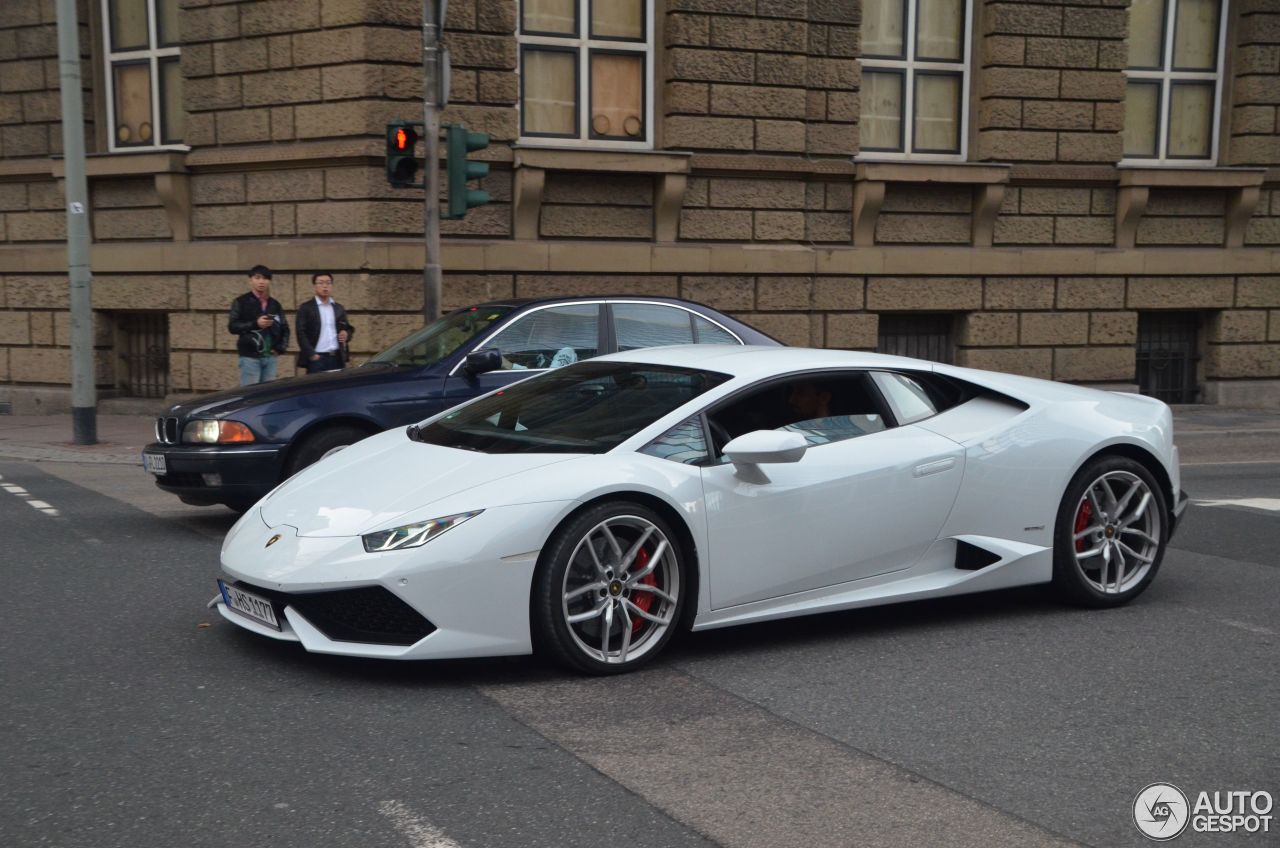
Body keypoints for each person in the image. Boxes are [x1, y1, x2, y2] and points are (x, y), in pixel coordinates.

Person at [228, 265, 289, 385]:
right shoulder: (241, 302)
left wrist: (280, 348)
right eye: (258, 278)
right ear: (250, 280)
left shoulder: (274, 304)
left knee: (268, 395)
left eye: (265, 278)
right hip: (250, 356)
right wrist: (255, 324)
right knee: (250, 395)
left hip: (270, 356)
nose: (261, 281)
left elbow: (285, 327)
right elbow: (232, 326)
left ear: (269, 281)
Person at [295, 272, 354, 374]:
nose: (325, 286)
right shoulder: (306, 308)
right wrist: (311, 354)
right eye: (321, 283)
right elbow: (301, 333)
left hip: (336, 357)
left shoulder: (338, 308)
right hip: (317, 358)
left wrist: (346, 334)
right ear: (314, 286)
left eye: (328, 283)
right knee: (316, 388)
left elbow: (348, 328)